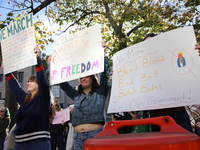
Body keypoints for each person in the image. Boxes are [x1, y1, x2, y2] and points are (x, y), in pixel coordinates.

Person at [48, 41, 109, 150]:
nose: (83, 78)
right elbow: (64, 84)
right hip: (77, 138)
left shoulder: (100, 93)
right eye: (81, 77)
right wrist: (54, 64)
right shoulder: (77, 96)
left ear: (93, 78)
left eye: (86, 76)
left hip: (95, 136)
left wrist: (103, 54)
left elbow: (104, 77)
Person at [4, 45, 51, 150]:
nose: (28, 83)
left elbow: (43, 81)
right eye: (28, 81)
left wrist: (38, 60)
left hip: (38, 144)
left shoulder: (43, 99)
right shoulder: (25, 99)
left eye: (32, 81)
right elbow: (15, 87)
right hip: (19, 143)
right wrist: (7, 72)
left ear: (39, 84)